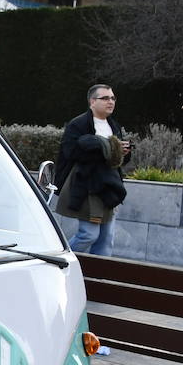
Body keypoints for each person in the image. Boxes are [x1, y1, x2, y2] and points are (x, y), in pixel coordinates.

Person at [55, 84, 130, 256]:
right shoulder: (78, 124)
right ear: (92, 102)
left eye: (113, 98)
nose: (110, 102)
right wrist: (105, 149)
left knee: (106, 238)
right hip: (87, 186)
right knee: (88, 235)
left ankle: (101, 277)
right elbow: (71, 152)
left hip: (110, 187)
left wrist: (123, 152)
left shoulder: (114, 125)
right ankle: (64, 262)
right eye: (105, 98)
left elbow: (118, 161)